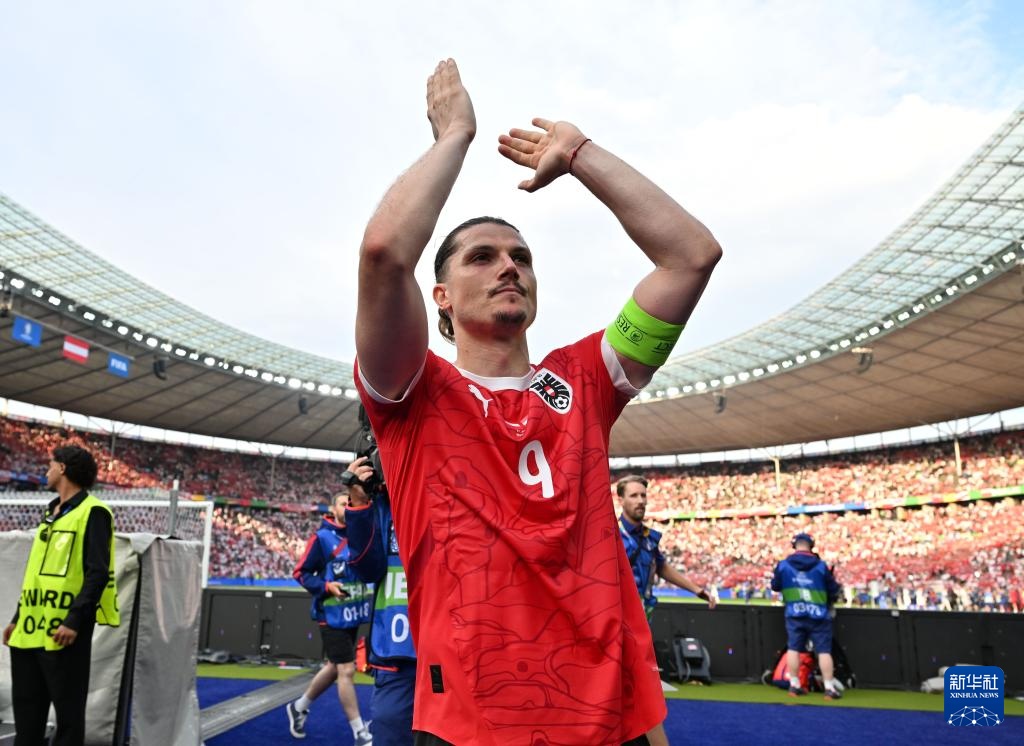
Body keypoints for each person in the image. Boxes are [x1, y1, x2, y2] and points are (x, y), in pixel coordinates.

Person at [354, 58, 722, 745]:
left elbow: (691, 256)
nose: (508, 266)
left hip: (608, 722)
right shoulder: (413, 392)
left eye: (520, 257)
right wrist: (453, 138)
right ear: (441, 297)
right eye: (482, 257)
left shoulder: (586, 380)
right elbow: (383, 254)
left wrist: (580, 154)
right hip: (471, 726)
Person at [3, 444, 119, 746]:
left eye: (50, 465)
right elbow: (37, 576)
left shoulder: (93, 512)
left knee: (68, 715)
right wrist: (18, 617)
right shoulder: (50, 513)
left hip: (63, 631)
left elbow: (97, 572)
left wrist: (74, 620)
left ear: (63, 468)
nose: (46, 471)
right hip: (30, 629)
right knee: (27, 712)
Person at [287, 492, 373, 744]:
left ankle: (299, 707)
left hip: (352, 614)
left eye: (350, 503)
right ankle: (359, 732)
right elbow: (300, 573)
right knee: (346, 669)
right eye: (342, 504)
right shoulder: (322, 538)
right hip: (330, 614)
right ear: (332, 510)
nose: (347, 507)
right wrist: (326, 587)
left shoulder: (359, 535)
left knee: (335, 666)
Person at [344, 456, 417, 746]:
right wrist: (359, 505)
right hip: (397, 655)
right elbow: (367, 570)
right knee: (391, 733)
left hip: (454, 653)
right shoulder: (385, 504)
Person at [616, 475, 716, 618]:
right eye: (633, 496)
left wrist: (697, 590)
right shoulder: (611, 536)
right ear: (621, 500)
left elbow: (661, 567)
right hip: (619, 615)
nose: (640, 501)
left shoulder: (648, 537)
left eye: (643, 495)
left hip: (644, 615)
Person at [770, 532, 843, 700]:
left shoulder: (783, 565)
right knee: (824, 651)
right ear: (811, 546)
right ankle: (829, 688)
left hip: (794, 613)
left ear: (794, 545)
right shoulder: (821, 566)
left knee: (793, 649)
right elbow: (833, 589)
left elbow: (775, 586)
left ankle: (794, 685)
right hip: (819, 614)